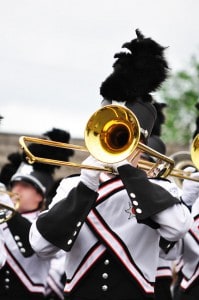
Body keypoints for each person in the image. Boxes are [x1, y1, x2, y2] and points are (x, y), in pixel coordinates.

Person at [29, 29, 193, 300]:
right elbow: (40, 245)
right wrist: (85, 186)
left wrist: (128, 170)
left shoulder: (159, 188)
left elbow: (177, 227)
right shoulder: (73, 185)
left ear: (141, 141)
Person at [0, 128, 74, 300]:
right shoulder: (4, 216)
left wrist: (8, 210)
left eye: (25, 186)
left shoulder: (45, 222)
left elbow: (32, 245)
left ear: (40, 195)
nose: (17, 190)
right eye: (15, 184)